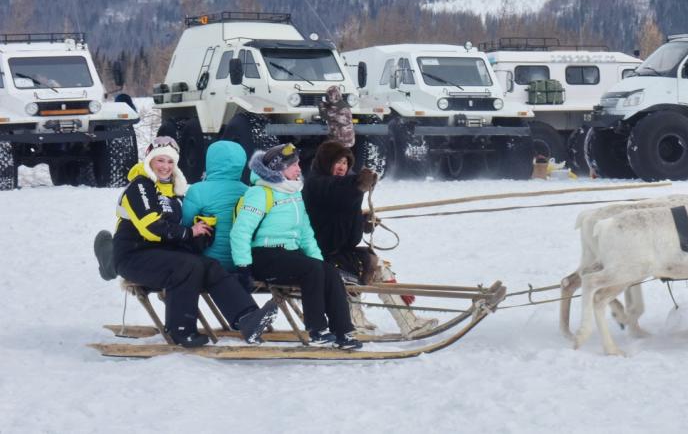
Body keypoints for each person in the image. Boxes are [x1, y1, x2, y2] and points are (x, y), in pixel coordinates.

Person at [105, 136, 278, 348]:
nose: (166, 167)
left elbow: (182, 226)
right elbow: (151, 227)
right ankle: (181, 330)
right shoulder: (141, 186)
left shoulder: (176, 192)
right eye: (160, 160)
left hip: (163, 255)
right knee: (187, 266)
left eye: (170, 162)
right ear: (149, 160)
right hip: (134, 255)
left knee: (210, 266)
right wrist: (189, 232)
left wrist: (202, 230)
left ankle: (247, 317)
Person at [231, 143, 363, 350]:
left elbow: (306, 234)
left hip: (289, 256)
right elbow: (241, 232)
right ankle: (317, 330)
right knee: (311, 269)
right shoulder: (260, 193)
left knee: (329, 270)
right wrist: (243, 266)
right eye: (294, 165)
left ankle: (342, 331)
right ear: (279, 168)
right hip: (263, 256)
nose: (299, 169)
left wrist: (319, 261)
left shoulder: (293, 194)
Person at [302, 140, 438, 336]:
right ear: (325, 162)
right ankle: (357, 322)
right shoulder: (316, 184)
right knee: (350, 271)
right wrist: (357, 184)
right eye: (337, 162)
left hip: (339, 251)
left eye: (345, 162)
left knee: (378, 267)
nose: (342, 167)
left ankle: (408, 323)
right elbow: (336, 193)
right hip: (320, 255)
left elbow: (341, 213)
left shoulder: (340, 185)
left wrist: (362, 221)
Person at [181, 140, 250, 285]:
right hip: (242, 263)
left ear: (211, 161)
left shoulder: (198, 190)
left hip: (210, 263)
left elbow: (185, 225)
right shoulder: (248, 191)